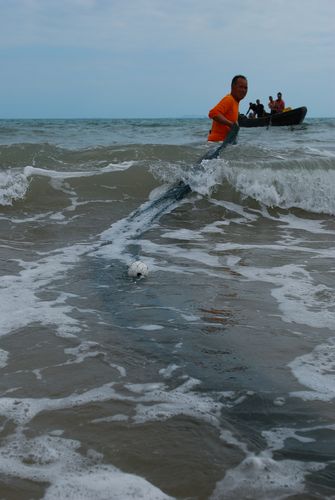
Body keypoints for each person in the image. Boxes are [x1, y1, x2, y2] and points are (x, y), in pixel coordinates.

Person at [208, 75, 248, 141]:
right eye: (240, 87)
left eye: (245, 88)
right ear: (233, 87)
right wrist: (231, 124)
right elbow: (213, 113)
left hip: (224, 144)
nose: (243, 90)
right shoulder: (229, 99)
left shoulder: (235, 102)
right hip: (217, 144)